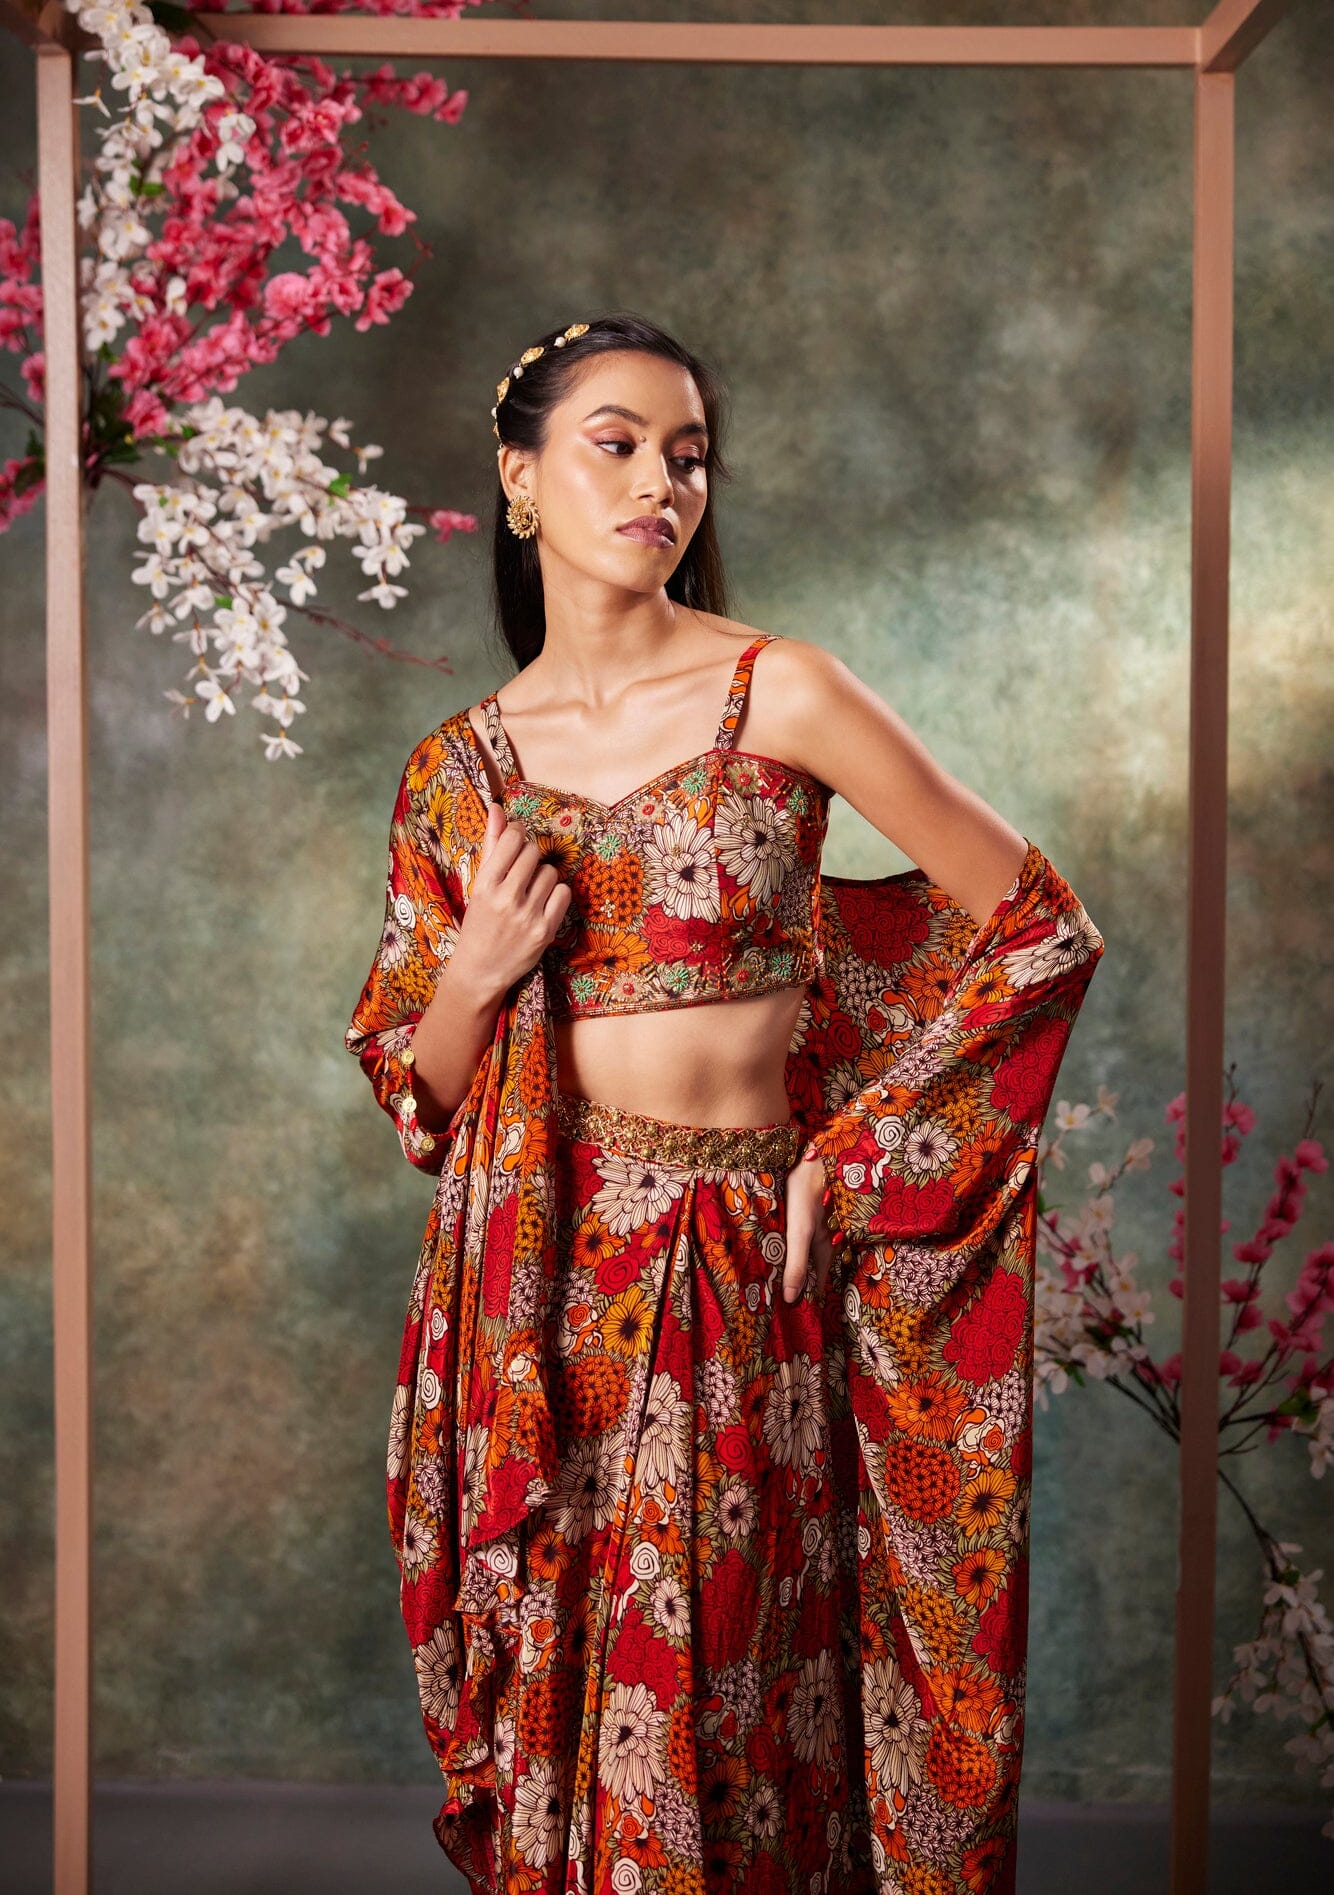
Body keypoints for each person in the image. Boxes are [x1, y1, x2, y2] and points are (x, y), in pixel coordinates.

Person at [345, 311, 1106, 1895]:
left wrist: (859, 1149)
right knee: (566, 1696)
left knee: (731, 1695)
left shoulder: (782, 693)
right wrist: (473, 975)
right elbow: (419, 1102)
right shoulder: (456, 776)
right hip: (541, 1295)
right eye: (615, 445)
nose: (661, 485)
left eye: (687, 456)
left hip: (745, 1265)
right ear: (518, 479)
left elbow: (1038, 929)